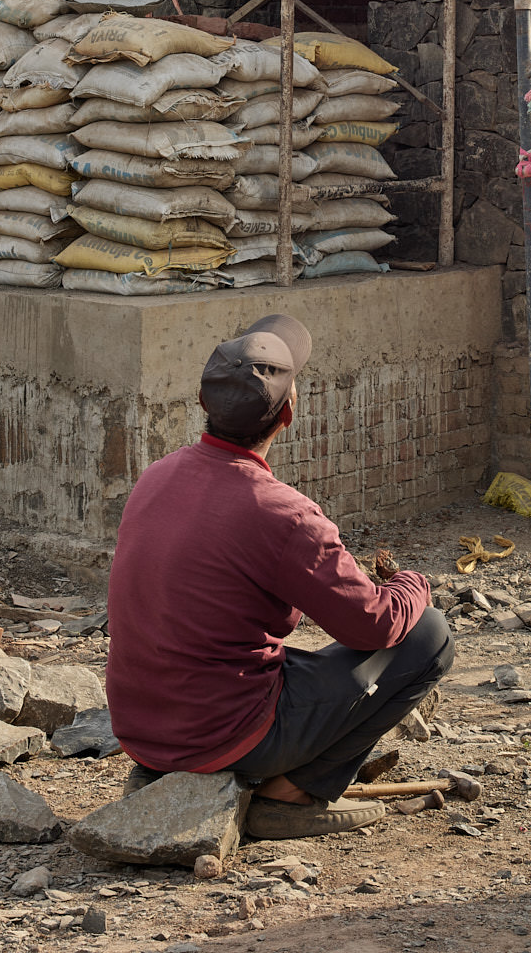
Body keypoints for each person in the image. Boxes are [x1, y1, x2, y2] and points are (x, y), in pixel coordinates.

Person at [105, 314, 454, 841]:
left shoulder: (157, 475)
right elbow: (374, 626)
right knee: (429, 634)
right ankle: (290, 794)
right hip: (222, 733)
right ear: (289, 412)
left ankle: (170, 777)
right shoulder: (284, 514)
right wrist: (412, 583)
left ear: (203, 403)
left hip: (143, 729)